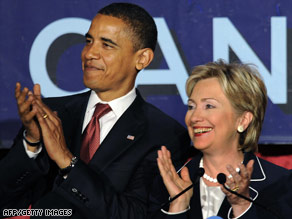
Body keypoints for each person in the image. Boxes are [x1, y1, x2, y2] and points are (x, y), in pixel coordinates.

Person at [0, 3, 189, 219]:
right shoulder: (50, 114)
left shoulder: (163, 134)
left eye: (107, 45)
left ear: (142, 58)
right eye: (88, 41)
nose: (90, 53)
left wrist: (67, 161)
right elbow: (7, 204)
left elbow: (135, 214)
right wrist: (32, 143)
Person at [147, 60, 291, 219]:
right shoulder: (166, 185)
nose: (194, 117)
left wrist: (242, 207)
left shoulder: (280, 184)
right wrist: (178, 206)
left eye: (209, 106)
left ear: (243, 120)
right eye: (191, 106)